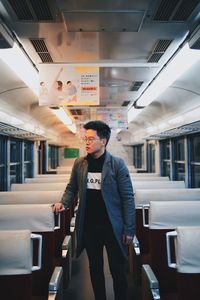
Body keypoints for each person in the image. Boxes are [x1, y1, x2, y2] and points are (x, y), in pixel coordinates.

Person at [52, 120, 135, 300]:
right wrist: (63, 203)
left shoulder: (117, 164)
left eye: (91, 139)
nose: (87, 142)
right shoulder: (80, 163)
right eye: (85, 139)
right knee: (95, 268)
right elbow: (71, 188)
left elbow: (128, 197)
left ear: (103, 141)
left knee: (117, 270)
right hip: (89, 225)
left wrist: (129, 229)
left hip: (113, 226)